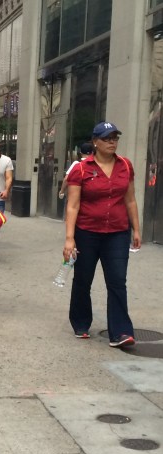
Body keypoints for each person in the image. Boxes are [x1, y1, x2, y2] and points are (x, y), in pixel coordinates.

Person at [63, 121, 141, 347]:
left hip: (117, 232)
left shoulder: (125, 166)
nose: (112, 142)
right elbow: (73, 205)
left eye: (115, 138)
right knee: (83, 279)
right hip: (87, 232)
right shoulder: (81, 169)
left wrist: (136, 228)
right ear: (95, 142)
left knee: (117, 281)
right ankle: (80, 321)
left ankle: (121, 332)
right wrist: (70, 238)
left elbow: (131, 199)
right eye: (107, 138)